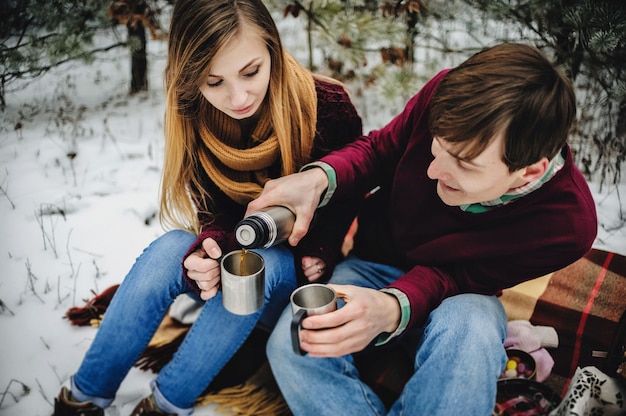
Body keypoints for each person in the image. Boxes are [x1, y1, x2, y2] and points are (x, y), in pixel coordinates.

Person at [247, 43, 598, 415]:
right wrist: (319, 179)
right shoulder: (448, 95)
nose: (432, 171)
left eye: (463, 162)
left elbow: (464, 275)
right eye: (438, 147)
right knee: (293, 343)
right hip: (373, 263)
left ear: (528, 172)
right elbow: (380, 150)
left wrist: (394, 306)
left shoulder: (567, 225)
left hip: (461, 296)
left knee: (472, 334)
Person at [52, 0, 362, 415]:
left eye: (251, 72)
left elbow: (351, 195)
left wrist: (320, 250)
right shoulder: (196, 115)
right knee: (169, 250)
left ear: (272, 48)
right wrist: (210, 247)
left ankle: (167, 402)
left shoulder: (326, 106)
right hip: (237, 262)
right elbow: (211, 210)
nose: (237, 97)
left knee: (260, 264)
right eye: (213, 82)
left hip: (299, 283)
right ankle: (85, 395)